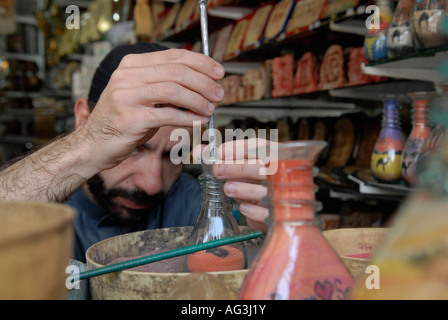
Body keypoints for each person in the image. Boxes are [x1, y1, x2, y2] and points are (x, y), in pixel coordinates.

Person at [0, 43, 269, 262]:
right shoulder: (40, 206)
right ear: (83, 119)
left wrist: (274, 223)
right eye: (134, 148)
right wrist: (86, 142)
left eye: (172, 155)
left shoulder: (194, 203)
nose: (151, 184)